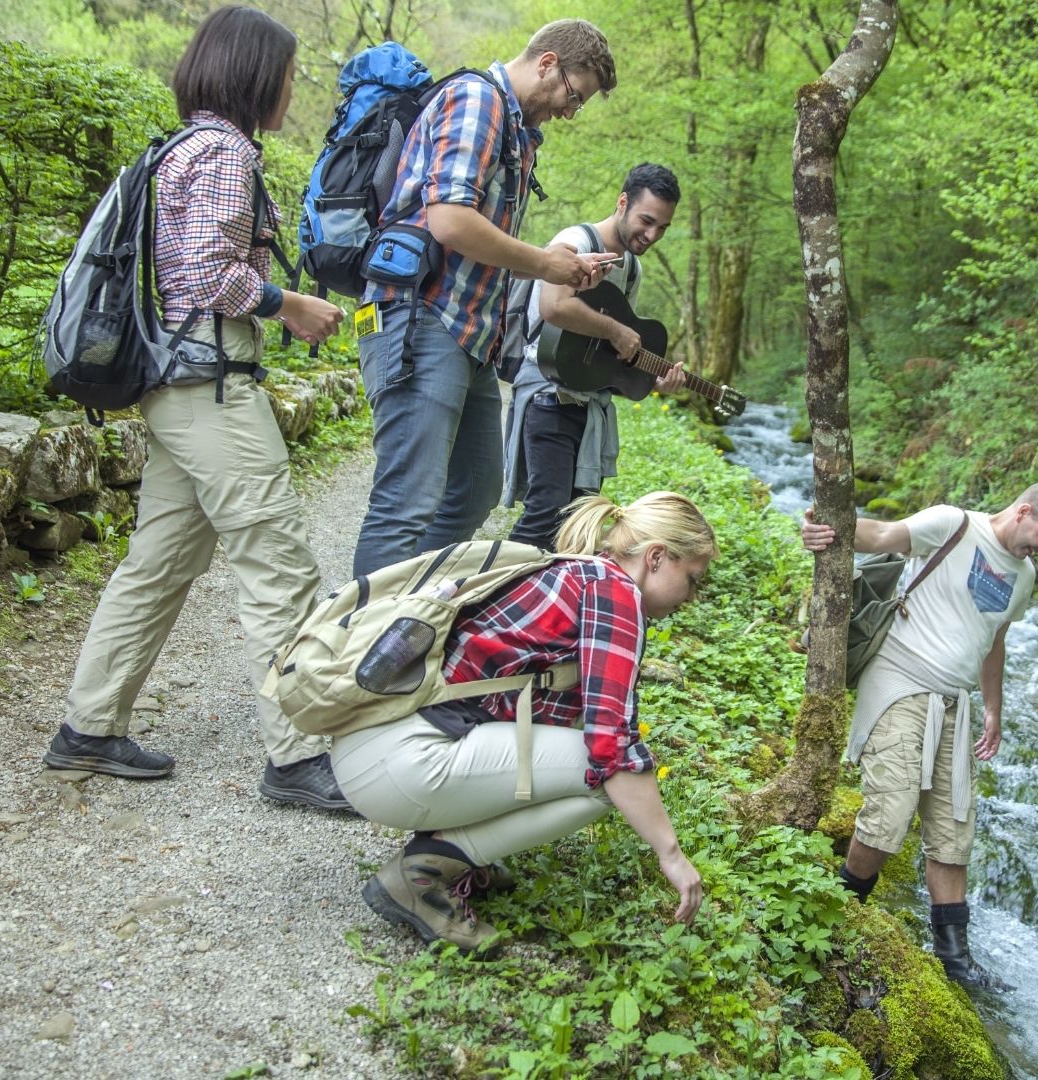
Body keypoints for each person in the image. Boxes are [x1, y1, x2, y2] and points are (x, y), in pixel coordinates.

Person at [42, 5, 355, 812]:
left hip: (174, 389)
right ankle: (297, 757)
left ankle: (89, 727)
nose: (293, 90)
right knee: (279, 563)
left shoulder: (183, 146)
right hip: (209, 388)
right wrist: (290, 304)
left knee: (161, 560)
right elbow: (208, 275)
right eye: (289, 76)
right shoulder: (222, 153)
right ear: (257, 75)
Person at [335, 492, 713, 951]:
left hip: (377, 745)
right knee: (605, 777)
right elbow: (610, 742)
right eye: (692, 579)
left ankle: (449, 847)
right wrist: (670, 855)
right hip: (402, 759)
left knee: (596, 765)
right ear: (656, 557)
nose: (692, 597)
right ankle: (426, 869)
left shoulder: (579, 571)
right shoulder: (615, 593)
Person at [350, 20, 622, 578]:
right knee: (405, 504)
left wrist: (563, 269)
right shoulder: (478, 100)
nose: (571, 112)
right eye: (574, 95)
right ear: (547, 63)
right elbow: (450, 221)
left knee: (475, 490)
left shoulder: (518, 132)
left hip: (465, 334)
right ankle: (352, 650)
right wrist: (548, 263)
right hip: (417, 322)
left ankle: (409, 614)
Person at [800, 481, 1038, 985]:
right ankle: (837, 916)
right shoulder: (954, 524)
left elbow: (995, 640)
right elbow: (883, 534)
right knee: (892, 807)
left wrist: (992, 708)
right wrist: (829, 531)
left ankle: (954, 959)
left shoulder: (1024, 577)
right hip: (900, 678)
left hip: (955, 698)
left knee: (954, 829)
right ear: (1022, 512)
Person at [502, 163, 688, 551]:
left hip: (588, 404)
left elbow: (609, 358)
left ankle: (550, 606)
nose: (652, 235)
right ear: (622, 203)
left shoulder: (631, 269)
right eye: (647, 221)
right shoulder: (577, 240)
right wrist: (616, 331)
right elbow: (554, 306)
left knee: (576, 523)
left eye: (663, 228)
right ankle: (495, 596)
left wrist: (653, 378)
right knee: (544, 513)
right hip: (547, 395)